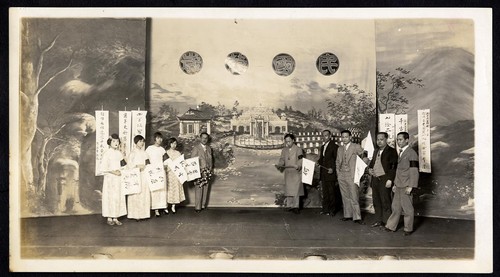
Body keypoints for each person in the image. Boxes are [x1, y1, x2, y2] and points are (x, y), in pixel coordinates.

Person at [385, 132, 419, 236]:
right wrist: (395, 184)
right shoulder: (399, 153)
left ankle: (408, 228)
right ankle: (391, 226)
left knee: (407, 208)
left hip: (406, 185)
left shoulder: (412, 153)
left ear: (407, 140)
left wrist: (411, 186)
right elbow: (398, 170)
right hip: (398, 184)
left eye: (401, 139)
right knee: (395, 206)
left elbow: (414, 171)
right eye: (397, 140)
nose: (399, 142)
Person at [368, 132, 398, 228]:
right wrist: (369, 169)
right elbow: (372, 163)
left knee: (385, 201)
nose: (379, 141)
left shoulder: (392, 151)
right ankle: (378, 220)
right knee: (376, 200)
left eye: (381, 139)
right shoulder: (376, 151)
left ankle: (388, 222)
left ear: (386, 140)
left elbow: (394, 167)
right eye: (378, 139)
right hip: (375, 179)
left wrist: (390, 179)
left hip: (385, 179)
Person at [336, 130, 365, 224]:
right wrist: (338, 173)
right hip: (341, 175)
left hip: (352, 175)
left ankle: (357, 217)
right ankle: (347, 215)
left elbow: (365, 157)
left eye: (346, 137)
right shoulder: (339, 149)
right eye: (343, 137)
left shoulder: (356, 147)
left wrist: (360, 170)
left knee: (354, 196)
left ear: (350, 137)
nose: (344, 139)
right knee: (345, 196)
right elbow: (337, 162)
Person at [99, 134, 127, 226]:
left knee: (117, 197)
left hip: (118, 179)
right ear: (110, 142)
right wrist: (113, 172)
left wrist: (120, 171)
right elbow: (103, 168)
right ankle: (109, 217)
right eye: (114, 141)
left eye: (117, 141)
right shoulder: (107, 153)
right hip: (110, 179)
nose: (116, 143)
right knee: (110, 197)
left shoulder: (119, 154)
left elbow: (124, 165)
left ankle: (116, 217)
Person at [276, 133, 304, 214]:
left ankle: (296, 206)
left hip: (296, 172)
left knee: (296, 190)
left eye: (289, 141)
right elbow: (282, 159)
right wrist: (280, 165)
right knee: (289, 189)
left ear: (293, 140)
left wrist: (298, 165)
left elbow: (300, 159)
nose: (287, 143)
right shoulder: (284, 150)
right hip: (288, 172)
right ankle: (289, 205)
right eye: (286, 142)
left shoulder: (298, 149)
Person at [126, 135, 151, 221]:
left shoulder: (145, 153)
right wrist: (137, 166)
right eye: (140, 141)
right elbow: (129, 165)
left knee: (144, 193)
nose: (142, 143)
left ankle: (144, 214)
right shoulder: (132, 153)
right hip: (135, 176)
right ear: (136, 142)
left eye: (143, 141)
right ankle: (135, 214)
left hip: (144, 176)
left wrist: (146, 166)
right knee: (136, 194)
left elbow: (148, 163)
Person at [146, 132, 168, 217]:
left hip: (161, 171)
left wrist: (165, 165)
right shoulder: (149, 148)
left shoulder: (162, 149)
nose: (160, 140)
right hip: (153, 172)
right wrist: (150, 168)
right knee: (155, 189)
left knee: (162, 189)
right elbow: (146, 159)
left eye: (161, 138)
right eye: (158, 138)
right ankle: (156, 209)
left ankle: (163, 206)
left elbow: (166, 160)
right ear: (155, 139)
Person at [317, 130, 339, 216]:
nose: (324, 137)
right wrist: (318, 162)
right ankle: (325, 209)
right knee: (325, 192)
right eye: (323, 135)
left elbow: (337, 160)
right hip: (323, 173)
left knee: (331, 192)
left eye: (326, 135)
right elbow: (322, 158)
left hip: (330, 172)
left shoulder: (335, 146)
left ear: (330, 136)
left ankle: (332, 210)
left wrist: (333, 169)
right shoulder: (322, 146)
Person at [190, 132, 214, 213]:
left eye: (206, 138)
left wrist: (210, 169)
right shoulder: (196, 148)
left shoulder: (209, 148)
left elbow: (211, 160)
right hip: (199, 171)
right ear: (200, 138)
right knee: (199, 188)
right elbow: (192, 161)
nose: (204, 139)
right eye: (203, 138)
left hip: (207, 171)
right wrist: (197, 171)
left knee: (206, 188)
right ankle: (198, 207)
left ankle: (203, 205)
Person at [165, 137, 186, 214]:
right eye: (172, 143)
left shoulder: (178, 153)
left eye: (175, 143)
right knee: (168, 189)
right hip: (169, 173)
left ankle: (173, 205)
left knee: (175, 188)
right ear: (169, 144)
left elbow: (181, 163)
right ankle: (166, 206)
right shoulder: (166, 153)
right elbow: (164, 163)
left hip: (176, 173)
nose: (174, 145)